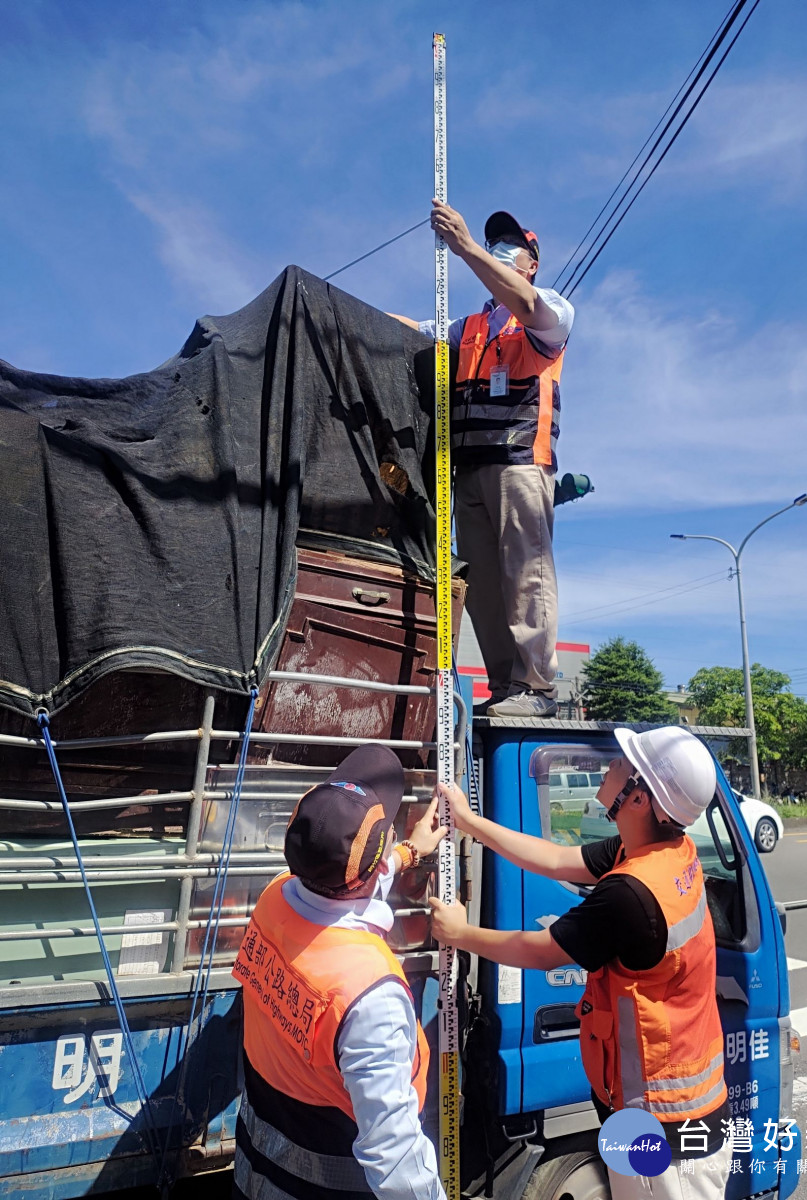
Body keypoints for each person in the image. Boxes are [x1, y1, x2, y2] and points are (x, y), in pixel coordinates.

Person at [429, 726, 732, 1199]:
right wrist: (471, 824)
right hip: (664, 1104)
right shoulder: (665, 850)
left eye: (623, 764)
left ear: (639, 799)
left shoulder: (630, 895)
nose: (609, 765)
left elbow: (541, 950)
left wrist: (459, 933)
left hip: (661, 1126)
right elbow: (557, 858)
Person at [232, 743, 448, 1200]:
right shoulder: (370, 996)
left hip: (253, 1171)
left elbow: (349, 884)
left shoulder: (277, 897)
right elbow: (395, 1157)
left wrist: (408, 852)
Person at [391, 202, 574, 719]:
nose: (498, 249)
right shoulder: (468, 324)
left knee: (526, 575)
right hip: (466, 472)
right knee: (485, 586)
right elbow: (414, 329)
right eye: (493, 243)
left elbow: (530, 307)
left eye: (509, 244)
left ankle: (537, 686)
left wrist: (467, 248)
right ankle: (505, 686)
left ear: (531, 262)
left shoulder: (551, 309)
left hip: (519, 462)